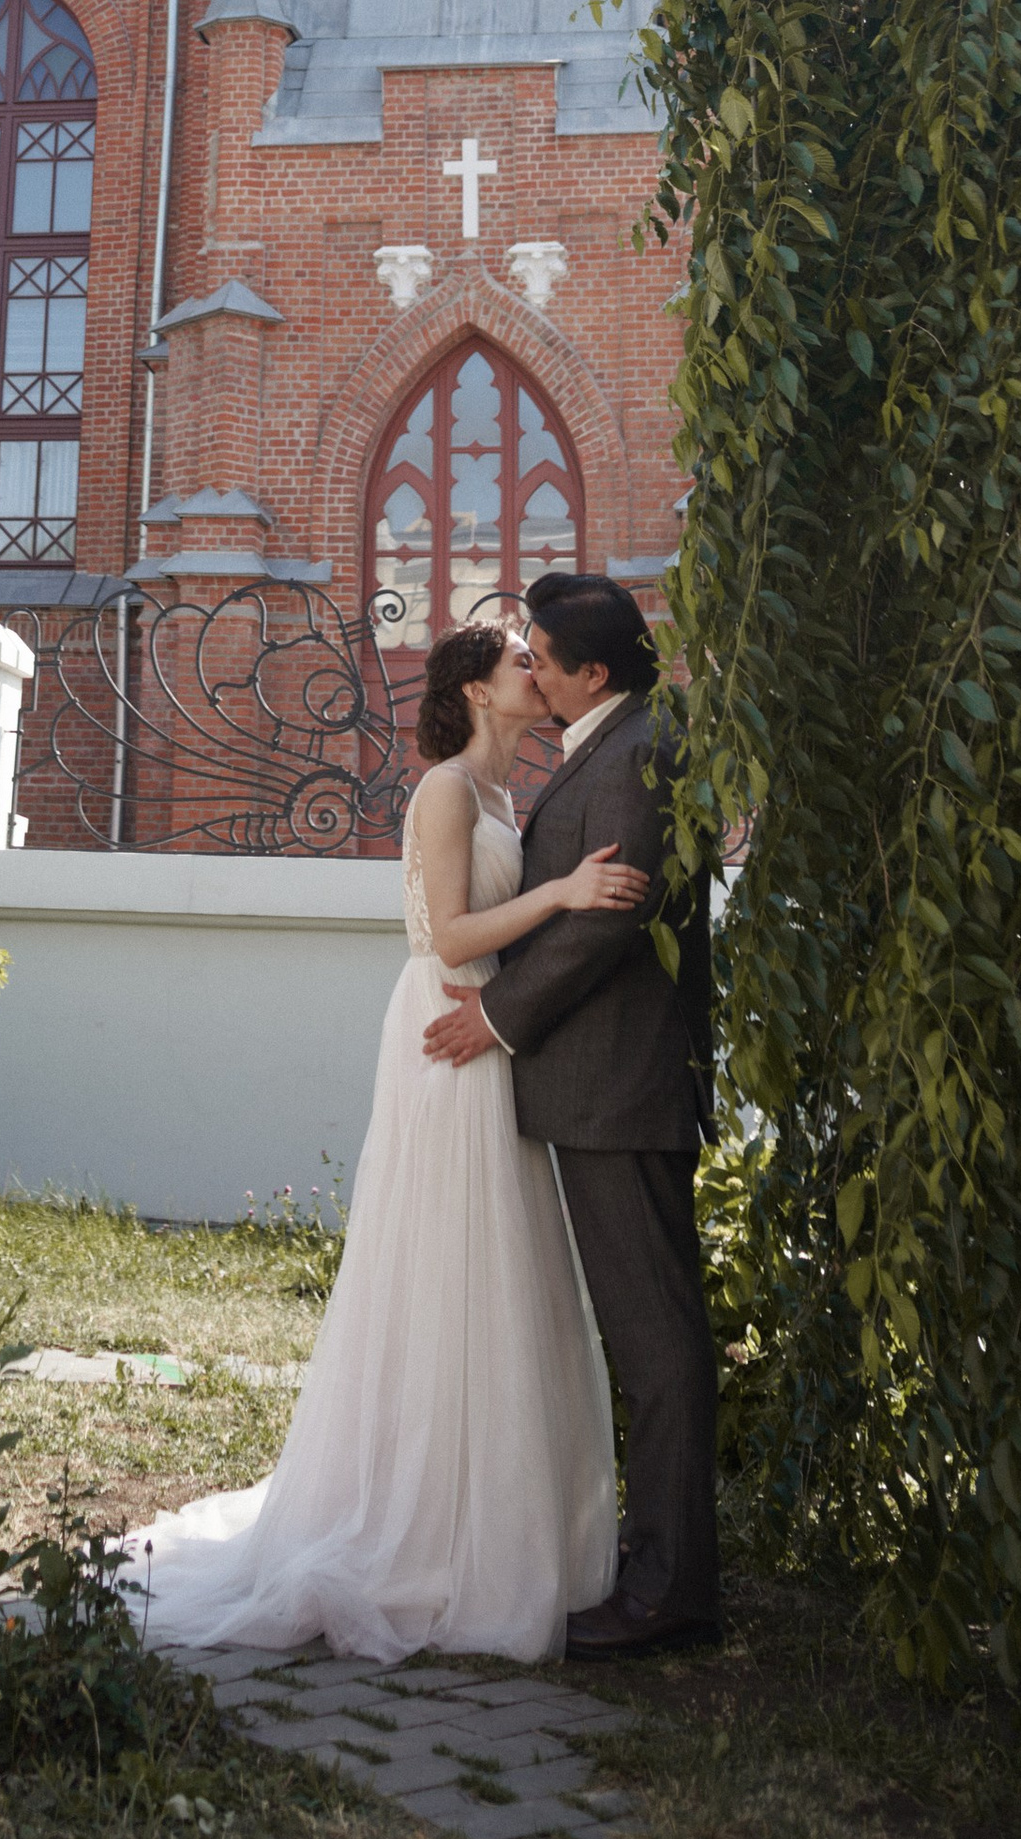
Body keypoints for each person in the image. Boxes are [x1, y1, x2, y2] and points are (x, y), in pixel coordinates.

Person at [133, 617, 645, 1661]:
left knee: (504, 1265)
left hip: (490, 1027)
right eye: (518, 661)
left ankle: (494, 1520)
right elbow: (445, 934)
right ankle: (417, 1526)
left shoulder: (505, 793)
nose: (536, 671)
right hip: (445, 1024)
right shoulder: (447, 790)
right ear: (474, 689)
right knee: (446, 1259)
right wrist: (563, 892)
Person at [422, 569, 719, 1657]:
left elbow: (608, 922)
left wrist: (495, 1019)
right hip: (599, 1088)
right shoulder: (609, 740)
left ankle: (668, 1593)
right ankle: (654, 1566)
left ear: (592, 673)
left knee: (657, 1342)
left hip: (619, 1090)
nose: (529, 672)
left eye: (540, 659)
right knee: (647, 1335)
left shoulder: (639, 750)